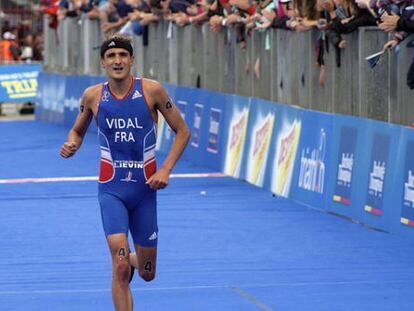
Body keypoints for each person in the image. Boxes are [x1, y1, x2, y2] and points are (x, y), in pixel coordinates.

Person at [60, 34, 190, 310]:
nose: (117, 61)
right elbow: (77, 130)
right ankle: (124, 261)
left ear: (132, 59)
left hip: (145, 192)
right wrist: (73, 143)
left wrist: (165, 170)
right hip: (111, 190)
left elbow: (183, 131)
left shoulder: (152, 91)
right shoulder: (93, 96)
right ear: (103, 63)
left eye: (122, 55)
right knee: (119, 267)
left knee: (147, 273)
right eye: (111, 56)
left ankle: (134, 260)